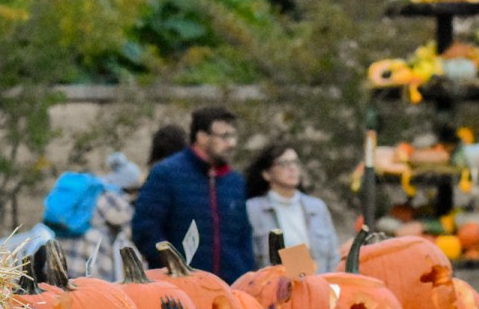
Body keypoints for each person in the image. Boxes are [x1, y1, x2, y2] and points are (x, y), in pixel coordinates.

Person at [132, 107, 253, 282]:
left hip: (229, 288)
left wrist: (243, 272)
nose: (231, 143)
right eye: (224, 136)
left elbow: (243, 236)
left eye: (233, 136)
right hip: (180, 288)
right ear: (202, 137)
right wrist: (173, 268)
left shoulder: (234, 181)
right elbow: (146, 229)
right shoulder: (166, 174)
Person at [244, 144, 340, 273]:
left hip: (318, 283)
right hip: (272, 287)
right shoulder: (253, 209)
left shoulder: (317, 207)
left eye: (295, 162)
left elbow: (333, 256)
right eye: (283, 163)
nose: (292, 168)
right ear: (266, 174)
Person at [60, 152, 144, 281]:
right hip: (90, 254)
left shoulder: (91, 191)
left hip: (67, 256)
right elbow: (131, 226)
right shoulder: (110, 195)